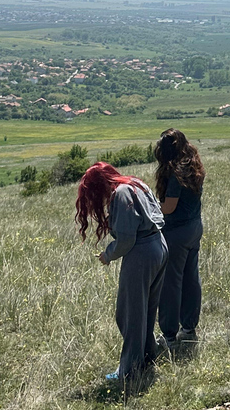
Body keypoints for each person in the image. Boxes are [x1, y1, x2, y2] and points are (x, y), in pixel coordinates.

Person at [75, 162, 167, 385]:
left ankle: (129, 372)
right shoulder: (135, 183)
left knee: (130, 314)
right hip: (159, 246)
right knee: (146, 310)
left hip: (141, 254)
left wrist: (108, 254)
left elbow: (127, 239)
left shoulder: (122, 193)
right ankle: (148, 357)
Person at [154, 128, 206, 349]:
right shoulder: (193, 167)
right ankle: (189, 327)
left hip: (176, 232)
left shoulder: (175, 173)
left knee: (170, 283)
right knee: (190, 279)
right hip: (194, 227)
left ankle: (168, 335)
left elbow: (169, 207)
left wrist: (154, 206)